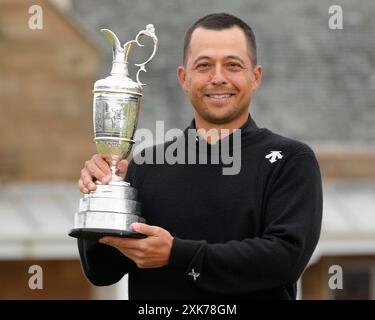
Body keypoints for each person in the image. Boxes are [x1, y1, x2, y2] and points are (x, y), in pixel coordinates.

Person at [77, 13, 322, 300]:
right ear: (184, 77)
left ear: (255, 77)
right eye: (204, 66)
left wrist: (177, 254)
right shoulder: (146, 166)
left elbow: (284, 259)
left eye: (233, 65)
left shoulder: (289, 160)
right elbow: (101, 271)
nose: (218, 78)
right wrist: (99, 192)